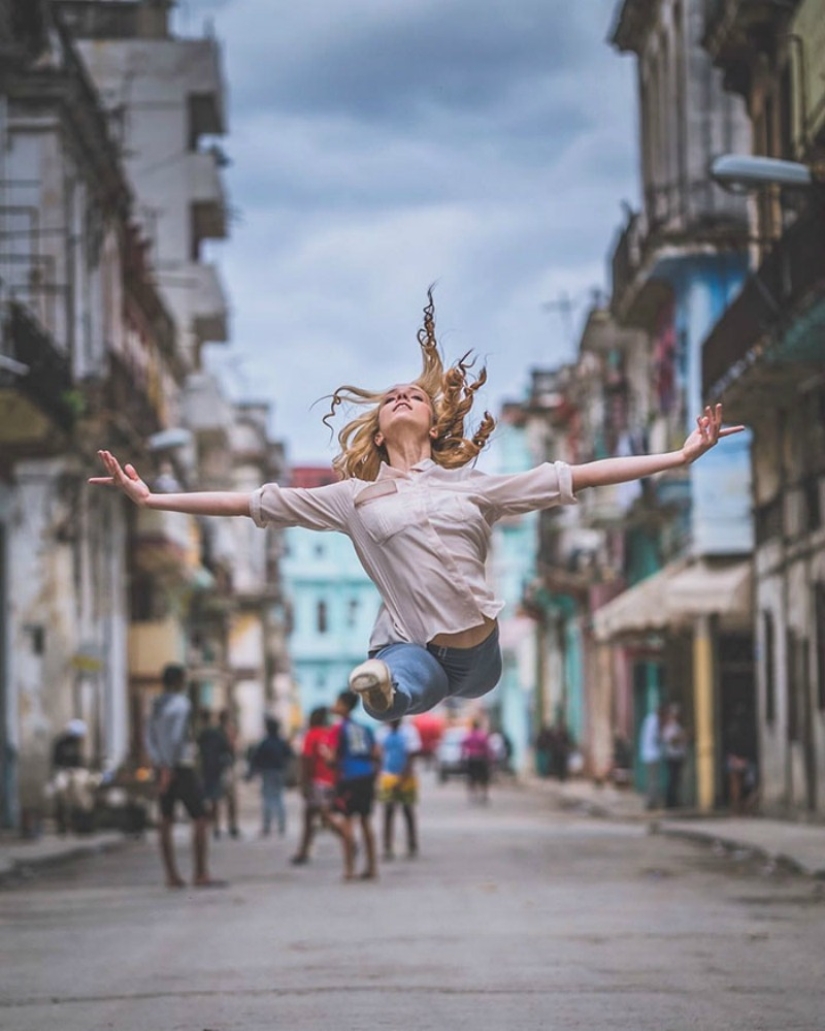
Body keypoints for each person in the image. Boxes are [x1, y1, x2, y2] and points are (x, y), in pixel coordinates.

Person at [90, 291, 744, 722]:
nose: (403, 393)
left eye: (416, 395)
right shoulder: (351, 498)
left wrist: (678, 456)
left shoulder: (476, 487)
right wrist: (153, 496)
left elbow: (578, 474)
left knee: (445, 674)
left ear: (433, 425)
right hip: (411, 645)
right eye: (392, 396)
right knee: (395, 677)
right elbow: (249, 502)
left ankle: (387, 685)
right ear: (377, 430)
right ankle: (379, 690)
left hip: (477, 653)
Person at [145, 663, 222, 889]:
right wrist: (170, 767)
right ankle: (200, 872)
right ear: (179, 681)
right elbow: (177, 736)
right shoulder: (182, 704)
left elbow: (149, 737)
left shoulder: (156, 705)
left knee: (166, 820)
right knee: (200, 818)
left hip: (161, 765)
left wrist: (159, 764)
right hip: (180, 766)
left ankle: (171, 875)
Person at [328, 689, 380, 881]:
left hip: (348, 777)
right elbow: (376, 754)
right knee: (366, 821)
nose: (334, 705)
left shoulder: (338, 729)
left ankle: (349, 869)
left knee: (348, 822)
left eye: (337, 702)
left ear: (343, 706)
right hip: (366, 776)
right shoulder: (365, 728)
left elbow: (332, 758)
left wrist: (329, 760)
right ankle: (372, 867)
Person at [290, 706, 344, 865]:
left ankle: (347, 838)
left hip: (317, 781)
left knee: (324, 816)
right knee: (309, 816)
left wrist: (304, 782)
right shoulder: (329, 734)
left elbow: (306, 760)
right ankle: (303, 850)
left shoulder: (311, 735)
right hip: (330, 779)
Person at [376, 718, 421, 860]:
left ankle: (412, 843)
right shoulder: (382, 732)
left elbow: (412, 756)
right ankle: (387, 845)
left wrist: (403, 777)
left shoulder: (409, 731)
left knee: (407, 810)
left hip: (406, 777)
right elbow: (378, 754)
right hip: (388, 775)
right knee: (388, 810)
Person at [247, 716, 294, 838]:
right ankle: (281, 824)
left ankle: (267, 825)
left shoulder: (265, 743)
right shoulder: (280, 742)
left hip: (268, 772)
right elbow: (289, 755)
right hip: (278, 771)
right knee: (278, 798)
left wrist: (252, 772)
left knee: (268, 798)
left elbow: (256, 758)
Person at [196, 709, 234, 840]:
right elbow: (228, 749)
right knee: (225, 797)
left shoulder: (202, 734)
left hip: (208, 769)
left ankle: (217, 826)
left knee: (214, 799)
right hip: (219, 769)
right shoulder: (218, 733)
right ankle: (229, 825)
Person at [661, 704, 688, 809]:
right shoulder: (670, 727)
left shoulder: (677, 726)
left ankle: (675, 801)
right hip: (673, 756)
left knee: (676, 780)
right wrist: (682, 736)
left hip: (678, 756)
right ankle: (670, 802)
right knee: (672, 780)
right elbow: (671, 741)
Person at [639, 703, 665, 810]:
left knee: (652, 780)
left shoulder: (649, 719)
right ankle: (650, 802)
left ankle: (651, 802)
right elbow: (656, 737)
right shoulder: (654, 721)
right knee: (653, 781)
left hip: (648, 754)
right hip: (652, 754)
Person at [461, 719, 492, 804]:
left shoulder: (469, 736)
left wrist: (463, 757)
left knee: (472, 778)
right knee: (483, 778)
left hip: (471, 758)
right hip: (481, 758)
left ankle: (473, 795)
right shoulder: (482, 736)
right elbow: (486, 747)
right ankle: (484, 795)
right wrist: (489, 758)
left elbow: (463, 746)